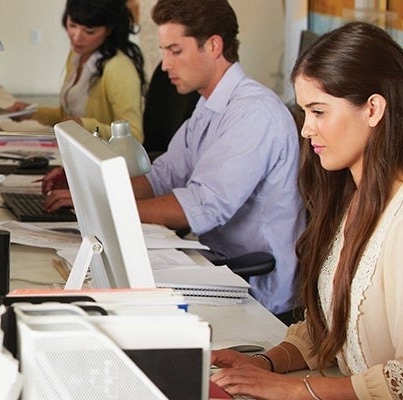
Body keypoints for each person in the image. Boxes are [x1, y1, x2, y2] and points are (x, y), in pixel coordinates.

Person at [41, 0, 303, 317]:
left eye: (175, 51)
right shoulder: (209, 106)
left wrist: (109, 211)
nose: (165, 65)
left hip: (253, 287)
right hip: (213, 265)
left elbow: (202, 206)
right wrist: (90, 192)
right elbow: (162, 176)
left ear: (214, 46)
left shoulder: (253, 113)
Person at [211, 21, 403, 399]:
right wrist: (267, 363)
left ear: (373, 109)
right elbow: (334, 326)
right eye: (305, 112)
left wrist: (297, 389)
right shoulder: (355, 198)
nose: (306, 129)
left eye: (318, 111)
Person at [9, 0, 145, 141]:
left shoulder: (119, 69)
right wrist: (32, 112)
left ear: (108, 30)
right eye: (72, 25)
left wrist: (85, 125)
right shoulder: (77, 55)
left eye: (89, 31)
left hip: (103, 157)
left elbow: (134, 135)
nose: (77, 37)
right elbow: (67, 117)